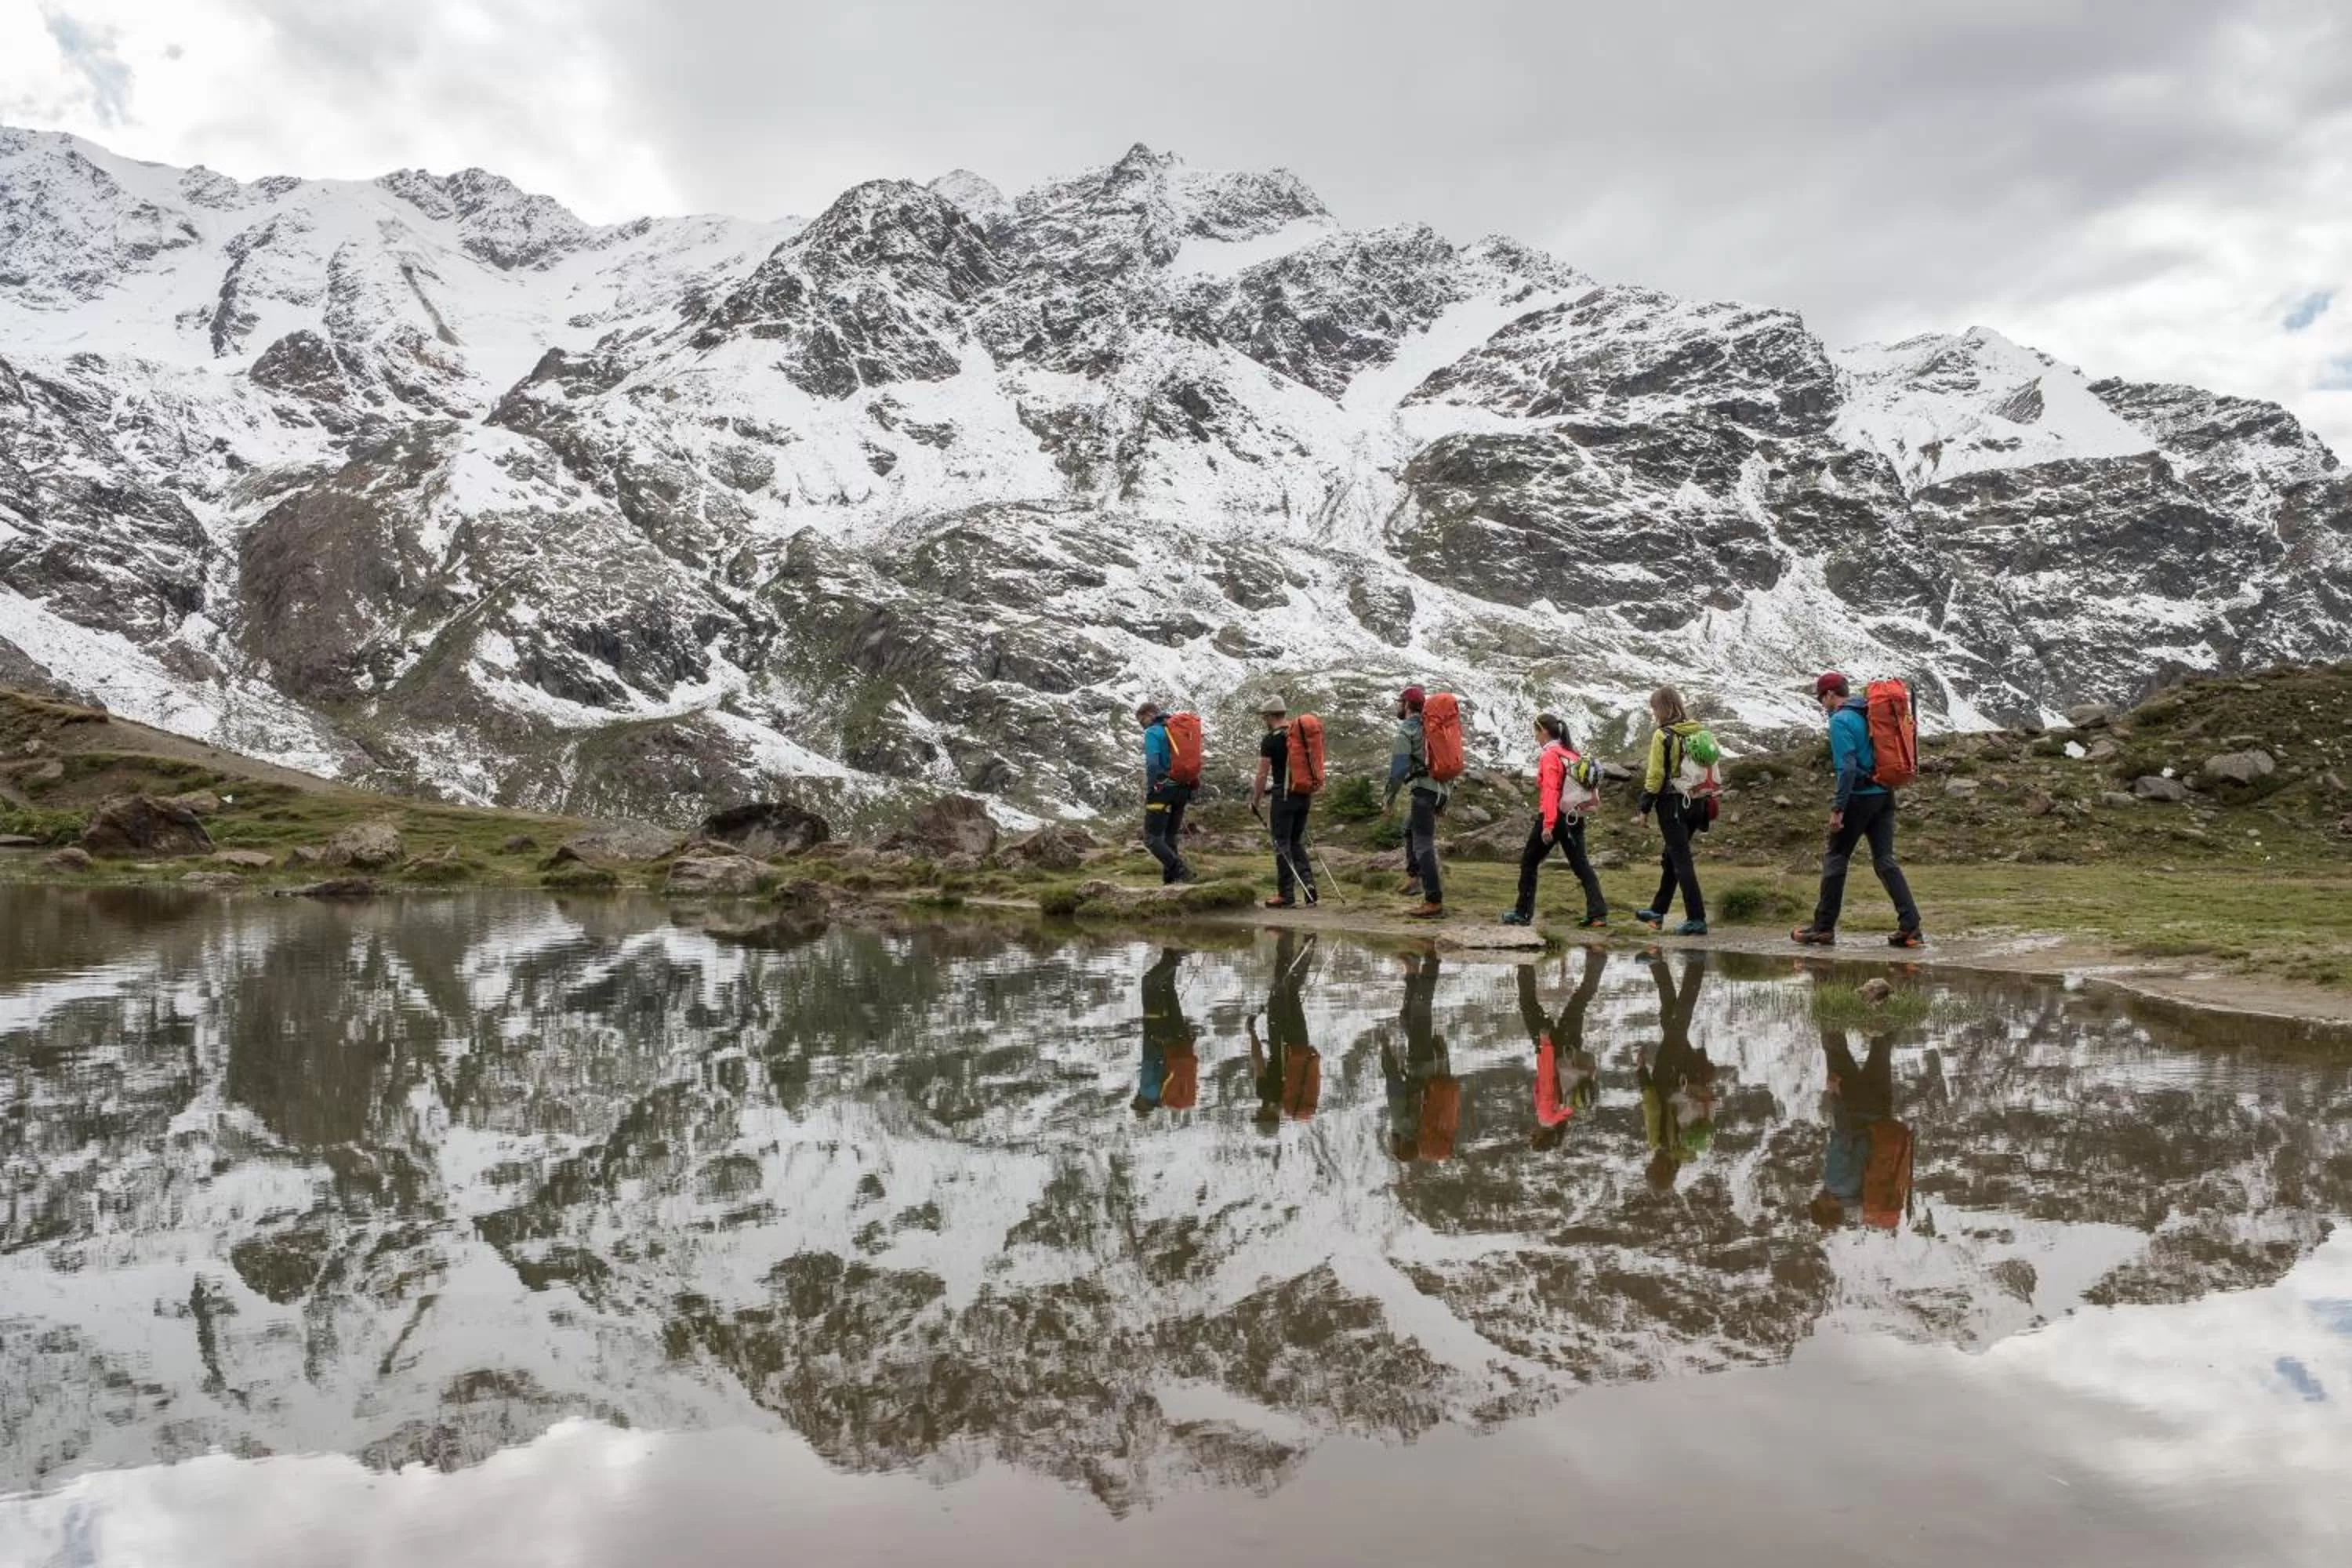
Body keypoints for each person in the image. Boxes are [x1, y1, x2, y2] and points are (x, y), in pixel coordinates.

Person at [1791, 673, 1925, 949]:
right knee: (1885, 860)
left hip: (1859, 797)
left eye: (1821, 698)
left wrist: (1838, 808)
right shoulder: (1869, 713)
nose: (1821, 703)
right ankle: (1910, 926)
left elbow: (1847, 767)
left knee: (1836, 858)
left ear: (1829, 695)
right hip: (1884, 794)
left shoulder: (1841, 720)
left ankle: (1823, 927)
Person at [1501, 713, 1608, 928]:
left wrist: (1548, 825)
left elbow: (1550, 791)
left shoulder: (1550, 755)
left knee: (1529, 862)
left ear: (1543, 731)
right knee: (1581, 865)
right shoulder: (1571, 753)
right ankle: (1598, 913)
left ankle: (1522, 913)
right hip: (1575, 816)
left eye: (1536, 733)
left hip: (1555, 816)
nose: (1535, 738)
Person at [1809, 1020, 1912, 1230]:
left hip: (1881, 1111)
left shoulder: (1863, 1196)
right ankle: (1831, 994)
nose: (1816, 1196)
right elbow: (1844, 1137)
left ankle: (1894, 994)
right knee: (1834, 1045)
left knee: (1881, 1046)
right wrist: (1836, 1096)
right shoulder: (1835, 1183)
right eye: (1816, 1201)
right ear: (1826, 1206)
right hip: (1853, 1105)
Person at [1636, 949, 1717, 1190]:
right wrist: (1641, 1072)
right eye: (1651, 1168)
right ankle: (1696, 964)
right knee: (1678, 1022)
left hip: (1692, 1079)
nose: (1650, 1163)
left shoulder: (1691, 1151)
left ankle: (1658, 963)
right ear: (1657, 1169)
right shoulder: (1660, 1144)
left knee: (1670, 1020)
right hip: (1669, 1079)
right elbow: (1651, 1106)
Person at [1633, 685, 1710, 936]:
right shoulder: (1699, 731)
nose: (1654, 714)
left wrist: (1645, 807)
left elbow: (1655, 775)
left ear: (1663, 708)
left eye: (1655, 709)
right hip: (1698, 803)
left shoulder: (1663, 735)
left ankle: (1696, 919)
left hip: (1673, 804)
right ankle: (1658, 909)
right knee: (1671, 858)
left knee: (1681, 861)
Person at [1522, 947, 1606, 1151]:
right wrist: (1545, 1044)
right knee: (1527, 1002)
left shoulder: (1566, 1114)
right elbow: (1546, 1079)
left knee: (1578, 1003)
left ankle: (1597, 959)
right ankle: (1523, 959)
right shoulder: (1545, 1115)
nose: (1528, 1133)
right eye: (1531, 1137)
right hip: (1552, 1050)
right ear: (1539, 1135)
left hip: (1571, 1053)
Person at [1381, 950, 1459, 1160]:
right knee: (1421, 1009)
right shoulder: (1403, 1125)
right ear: (1400, 1144)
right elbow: (1394, 1085)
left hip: (1438, 1062)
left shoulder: (1430, 1130)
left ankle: (1413, 970)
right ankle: (1431, 960)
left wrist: (1443, 1055)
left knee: (1407, 1018)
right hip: (1421, 1060)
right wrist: (1385, 1052)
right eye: (1393, 1144)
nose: (1391, 1140)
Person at [1383, 685, 1447, 919]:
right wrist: (1444, 798)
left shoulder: (1407, 730)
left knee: (1423, 844)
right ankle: (1414, 878)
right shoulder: (1431, 728)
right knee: (1409, 828)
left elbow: (1399, 769)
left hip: (1424, 791)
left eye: (1399, 702)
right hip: (1441, 789)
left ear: (1407, 705)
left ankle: (1433, 900)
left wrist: (1388, 799)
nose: (1397, 706)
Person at [1249, 931, 1319, 1128]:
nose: (1257, 1111)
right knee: (1280, 986)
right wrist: (1252, 1032)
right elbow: (1258, 1061)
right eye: (1259, 1115)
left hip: (1301, 1045)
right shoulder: (1265, 1094)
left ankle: (1308, 945)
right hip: (1280, 1039)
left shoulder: (1291, 1101)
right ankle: (1286, 939)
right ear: (1265, 1115)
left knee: (1292, 991)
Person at [1251, 699, 1316, 908]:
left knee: (1281, 843)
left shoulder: (1271, 740)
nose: (1264, 720)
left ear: (1270, 716)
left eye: (1264, 716)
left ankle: (1286, 895)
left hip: (1284, 797)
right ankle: (1309, 886)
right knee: (1296, 841)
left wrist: (1255, 801)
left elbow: (1262, 774)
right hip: (1303, 793)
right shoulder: (1299, 736)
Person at [1135, 701, 1193, 887]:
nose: (1141, 725)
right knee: (1169, 837)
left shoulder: (1153, 732)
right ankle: (1170, 882)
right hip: (1183, 788)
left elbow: (1153, 763)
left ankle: (1180, 870)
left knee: (1151, 838)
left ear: (1149, 715)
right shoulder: (1175, 730)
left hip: (1163, 788)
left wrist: (1155, 787)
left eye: (1141, 720)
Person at [1131, 946, 1193, 1116]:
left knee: (1167, 988)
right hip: (1158, 1032)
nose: (1135, 1098)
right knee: (1149, 983)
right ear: (1141, 1104)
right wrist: (1155, 1038)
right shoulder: (1147, 1091)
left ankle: (1172, 953)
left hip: (1178, 1039)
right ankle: (1173, 957)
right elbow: (1151, 1063)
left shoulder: (1164, 1096)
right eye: (1136, 1102)